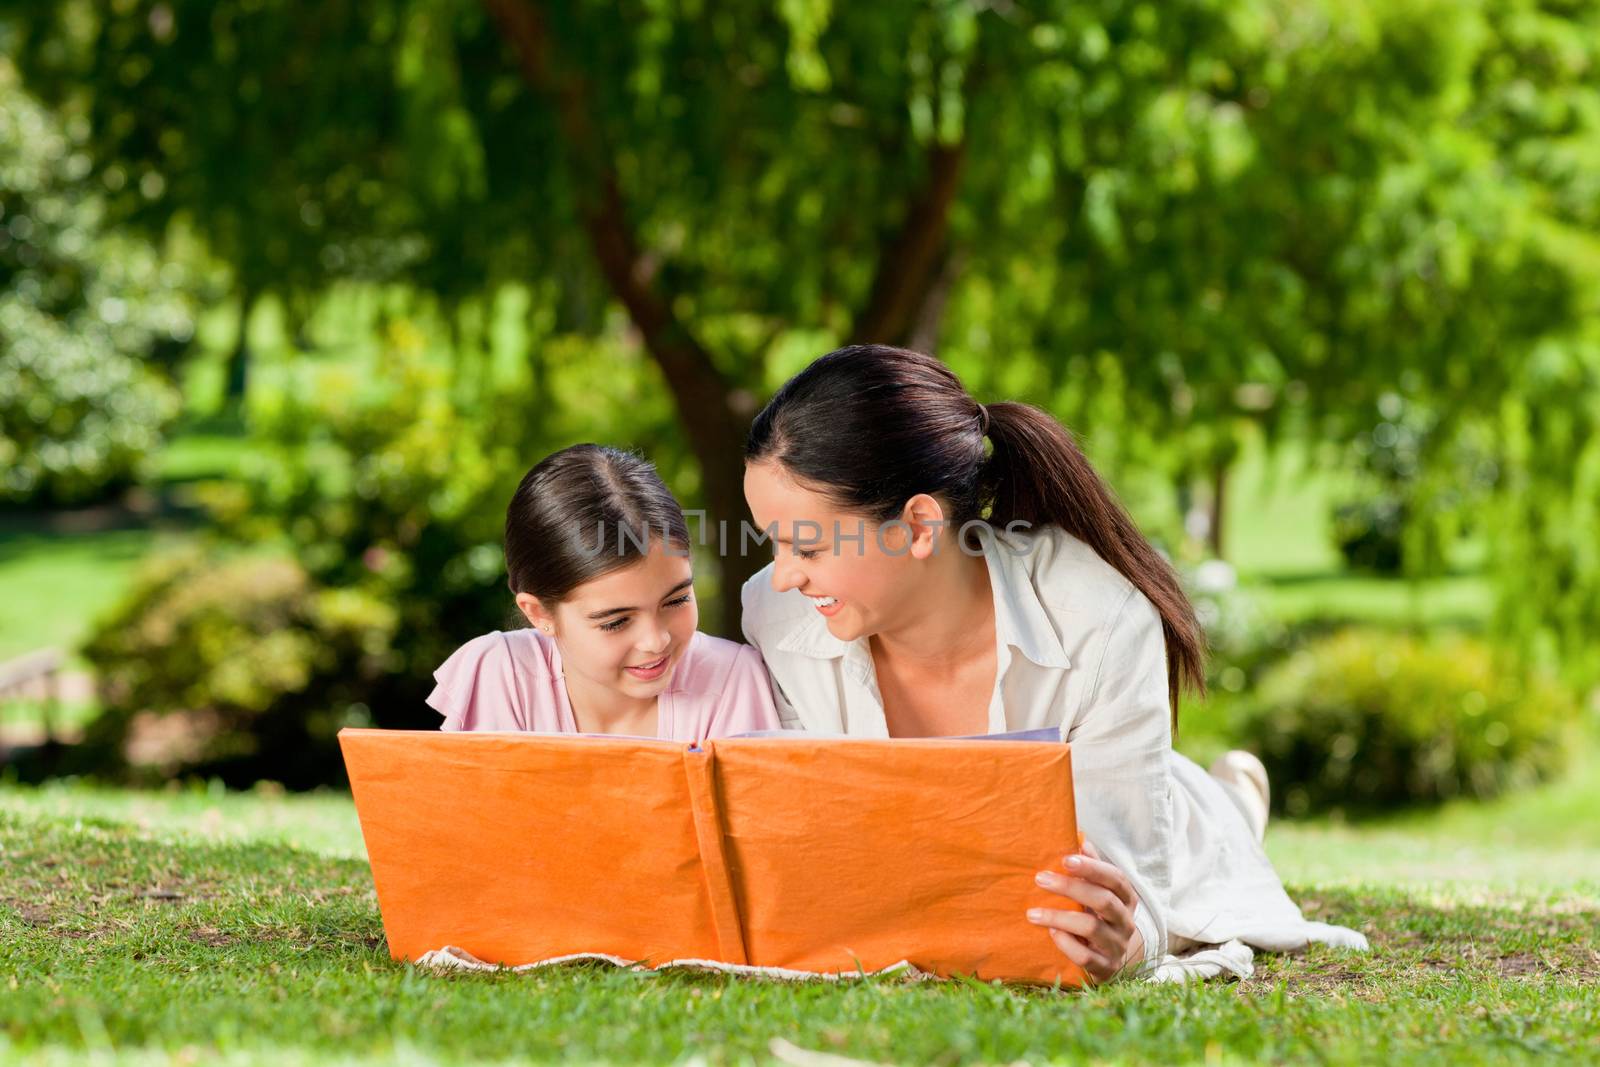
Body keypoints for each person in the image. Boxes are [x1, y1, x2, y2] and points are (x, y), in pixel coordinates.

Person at [739, 346, 1366, 983]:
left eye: (808, 545)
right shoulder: (778, 616)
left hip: (1145, 812)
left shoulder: (1101, 620)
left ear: (918, 526)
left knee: (1204, 855)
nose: (784, 575)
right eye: (772, 541)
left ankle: (1235, 803)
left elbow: (1133, 884)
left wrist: (1125, 940)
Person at [429, 444, 779, 740]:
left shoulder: (731, 677)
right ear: (539, 613)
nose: (656, 641)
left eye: (677, 599)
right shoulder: (501, 673)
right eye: (615, 622)